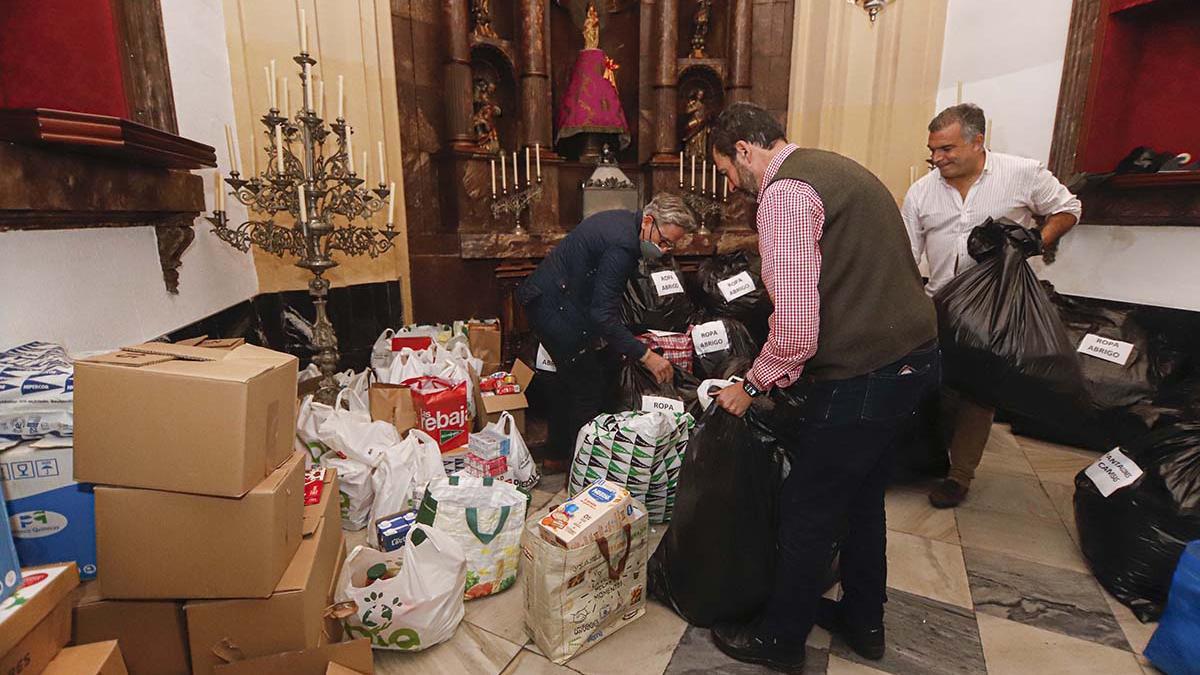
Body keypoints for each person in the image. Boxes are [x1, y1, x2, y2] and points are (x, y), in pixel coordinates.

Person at [708, 102, 940, 672]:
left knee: (807, 510)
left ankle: (780, 642)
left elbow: (795, 328)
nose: (730, 184)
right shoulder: (834, 167)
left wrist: (752, 384)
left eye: (726, 169)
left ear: (743, 149)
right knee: (863, 499)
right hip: (915, 357)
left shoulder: (785, 194)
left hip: (864, 373)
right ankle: (864, 622)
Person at [903, 103, 1082, 509]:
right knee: (927, 383)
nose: (937, 159)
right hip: (938, 304)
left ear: (977, 141)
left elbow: (1069, 207)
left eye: (947, 149)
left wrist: (1038, 239)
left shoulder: (1022, 173)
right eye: (932, 150)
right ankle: (924, 456)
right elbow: (907, 254)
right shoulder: (922, 192)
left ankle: (959, 474)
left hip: (994, 311)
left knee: (978, 392)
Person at [516, 194, 697, 472]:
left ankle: (556, 456)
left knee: (569, 382)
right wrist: (646, 355)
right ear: (649, 221)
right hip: (554, 308)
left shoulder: (626, 224)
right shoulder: (623, 245)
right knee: (587, 389)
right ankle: (581, 474)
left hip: (554, 299)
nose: (663, 250)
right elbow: (603, 315)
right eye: (663, 241)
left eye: (670, 245)